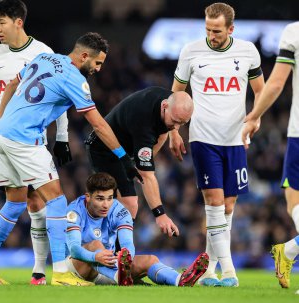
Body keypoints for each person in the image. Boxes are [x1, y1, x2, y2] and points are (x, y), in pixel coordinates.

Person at [0, 31, 142, 286]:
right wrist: (123, 157)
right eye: (97, 62)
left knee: (16, 203)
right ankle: (61, 272)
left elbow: (12, 86)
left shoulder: (44, 58)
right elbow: (99, 125)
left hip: (3, 136)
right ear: (84, 55)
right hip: (25, 140)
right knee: (57, 201)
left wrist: (0, 123)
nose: (98, 68)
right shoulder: (74, 78)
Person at [0, 0, 71, 285]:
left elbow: (60, 96)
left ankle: (39, 271)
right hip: (0, 137)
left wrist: (61, 137)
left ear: (19, 22)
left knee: (34, 202)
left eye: (2, 22)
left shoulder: (42, 53)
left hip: (30, 138)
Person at [171, 2, 265, 287]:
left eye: (218, 31)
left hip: (235, 139)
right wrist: (175, 130)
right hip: (203, 137)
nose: (212, 35)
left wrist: (254, 120)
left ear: (231, 29)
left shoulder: (248, 51)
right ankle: (229, 272)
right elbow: (176, 93)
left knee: (228, 205)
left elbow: (260, 91)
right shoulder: (191, 51)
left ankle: (209, 271)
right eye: (208, 30)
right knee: (213, 202)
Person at [65, 172, 209, 286]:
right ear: (88, 197)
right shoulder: (75, 210)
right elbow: (74, 249)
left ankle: (180, 280)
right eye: (100, 198)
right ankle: (119, 276)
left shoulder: (119, 211)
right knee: (95, 244)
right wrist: (95, 256)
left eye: (109, 198)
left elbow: (128, 244)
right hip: (77, 268)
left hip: (107, 267)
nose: (106, 204)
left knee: (150, 259)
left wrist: (124, 259)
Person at [85, 87, 193, 238]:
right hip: (103, 149)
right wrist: (160, 214)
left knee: (129, 205)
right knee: (129, 203)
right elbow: (147, 176)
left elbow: (164, 130)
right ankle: (105, 250)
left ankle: (116, 252)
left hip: (124, 151)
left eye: (181, 123)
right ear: (164, 106)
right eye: (174, 122)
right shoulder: (144, 123)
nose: (176, 127)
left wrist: (173, 134)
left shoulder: (170, 103)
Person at [242, 21, 299, 289]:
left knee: (294, 204)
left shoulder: (294, 32)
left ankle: (288, 252)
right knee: (293, 204)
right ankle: (288, 251)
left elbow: (276, 84)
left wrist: (253, 116)